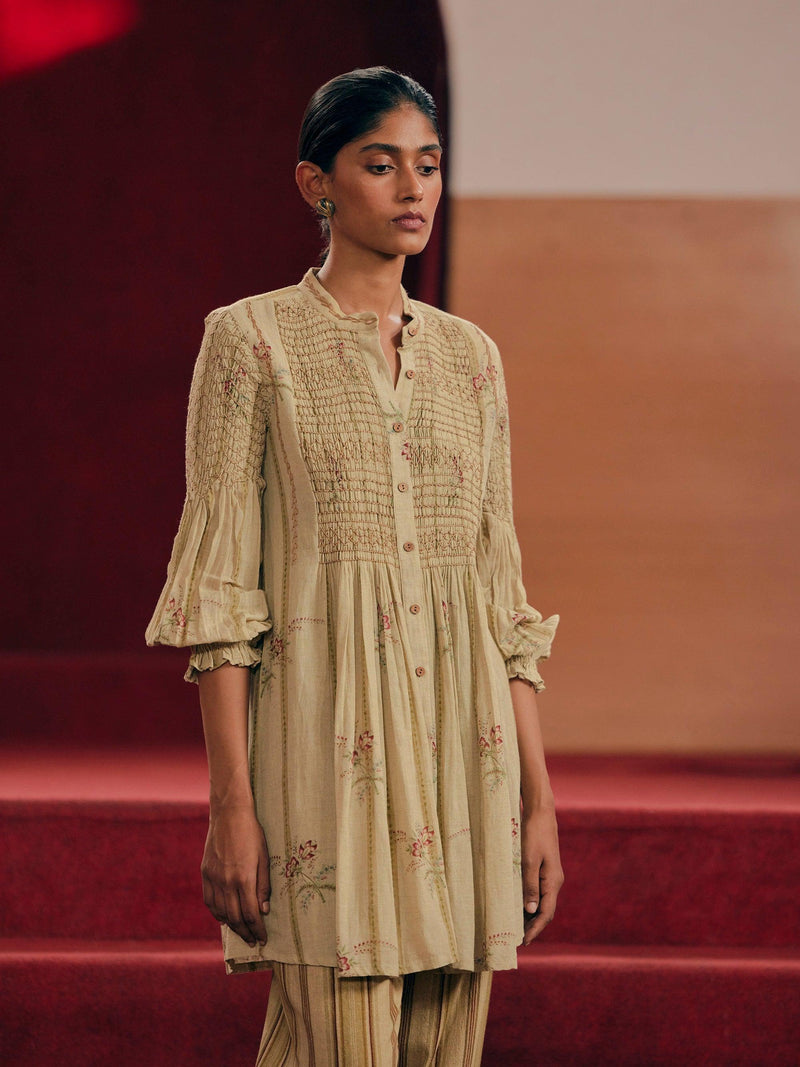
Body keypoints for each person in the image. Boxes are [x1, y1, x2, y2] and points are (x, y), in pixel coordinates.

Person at [145, 66, 563, 1067]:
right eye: (381, 165)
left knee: (441, 1051)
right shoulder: (250, 341)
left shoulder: (472, 358)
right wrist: (232, 806)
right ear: (315, 183)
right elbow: (218, 595)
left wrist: (537, 799)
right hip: (325, 757)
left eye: (428, 164)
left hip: (465, 758)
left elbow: (497, 593)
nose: (413, 188)